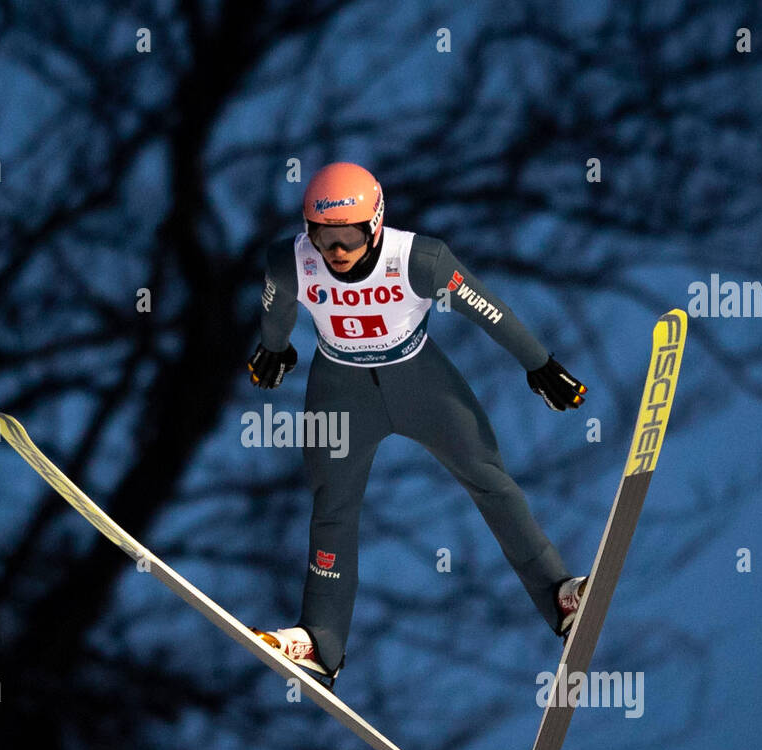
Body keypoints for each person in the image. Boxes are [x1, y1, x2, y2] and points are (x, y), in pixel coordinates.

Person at [248, 161, 588, 685]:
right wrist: (274, 349)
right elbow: (276, 309)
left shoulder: (419, 261)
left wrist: (538, 363)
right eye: (323, 237)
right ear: (307, 231)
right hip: (341, 391)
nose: (335, 251)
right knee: (332, 507)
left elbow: (488, 309)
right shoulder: (291, 262)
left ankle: (560, 596)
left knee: (489, 480)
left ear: (376, 224)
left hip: (421, 381)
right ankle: (321, 641)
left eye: (349, 237)